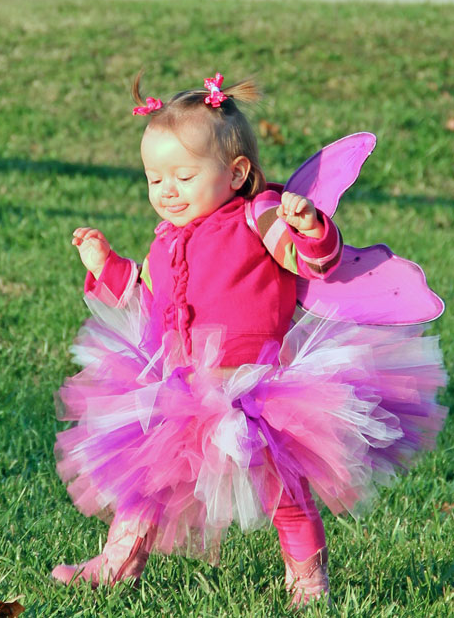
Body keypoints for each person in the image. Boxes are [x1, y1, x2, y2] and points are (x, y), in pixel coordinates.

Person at [50, 73, 447, 605]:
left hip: (256, 388)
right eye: (154, 179)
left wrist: (309, 226)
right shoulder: (167, 238)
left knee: (282, 486)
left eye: (184, 176)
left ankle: (307, 578)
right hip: (180, 383)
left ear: (236, 173)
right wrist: (107, 266)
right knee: (144, 478)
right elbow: (146, 302)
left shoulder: (258, 214)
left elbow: (314, 261)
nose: (167, 191)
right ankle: (119, 560)